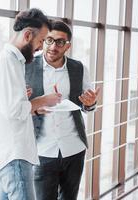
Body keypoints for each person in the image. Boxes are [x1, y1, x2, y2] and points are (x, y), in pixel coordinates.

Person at [0, 9, 62, 200]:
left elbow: (11, 106)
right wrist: (44, 100)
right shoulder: (8, 61)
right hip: (14, 154)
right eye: (41, 41)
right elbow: (13, 110)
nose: (41, 47)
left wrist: (30, 104)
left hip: (10, 153)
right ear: (28, 35)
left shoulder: (12, 60)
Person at [25, 20, 100, 200]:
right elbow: (16, 108)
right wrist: (34, 108)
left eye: (59, 42)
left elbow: (87, 104)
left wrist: (90, 103)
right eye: (49, 40)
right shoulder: (27, 67)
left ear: (67, 46)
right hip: (41, 150)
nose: (53, 46)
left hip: (74, 148)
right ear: (43, 41)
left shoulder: (79, 68)